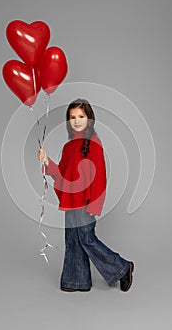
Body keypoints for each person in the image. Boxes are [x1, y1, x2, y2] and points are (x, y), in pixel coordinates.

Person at [37, 98, 134, 292]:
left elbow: (99, 177)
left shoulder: (94, 143)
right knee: (72, 240)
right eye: (72, 117)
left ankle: (122, 267)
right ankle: (76, 280)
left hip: (85, 202)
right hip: (71, 201)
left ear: (89, 118)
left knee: (87, 239)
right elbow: (62, 174)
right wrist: (47, 161)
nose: (77, 120)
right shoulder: (68, 147)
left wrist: (95, 204)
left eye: (81, 116)